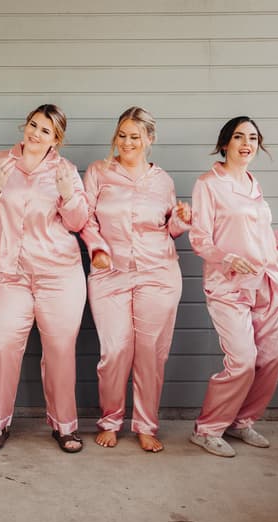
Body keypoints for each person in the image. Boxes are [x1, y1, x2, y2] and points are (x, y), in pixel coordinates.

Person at [188, 116, 278, 457]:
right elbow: (199, 238)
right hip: (228, 286)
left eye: (252, 137)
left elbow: (261, 239)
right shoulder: (208, 184)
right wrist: (227, 258)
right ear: (225, 144)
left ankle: (242, 421)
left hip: (267, 281)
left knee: (269, 360)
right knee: (243, 360)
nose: (246, 143)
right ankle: (206, 429)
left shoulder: (253, 184)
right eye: (239, 136)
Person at [0, 104, 89, 453]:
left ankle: (65, 427)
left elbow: (78, 221)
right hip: (12, 273)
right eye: (34, 125)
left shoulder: (65, 169)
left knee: (60, 350)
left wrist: (68, 194)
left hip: (60, 274)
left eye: (46, 131)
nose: (36, 134)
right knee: (2, 344)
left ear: (57, 139)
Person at [79, 107, 191, 453]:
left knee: (150, 353)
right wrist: (96, 248)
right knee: (115, 350)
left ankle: (145, 425)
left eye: (135, 136)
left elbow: (168, 229)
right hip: (109, 273)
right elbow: (85, 219)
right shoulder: (98, 172)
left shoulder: (163, 181)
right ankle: (111, 420)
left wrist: (182, 220)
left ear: (149, 139)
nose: (127, 142)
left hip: (158, 274)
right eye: (123, 135)